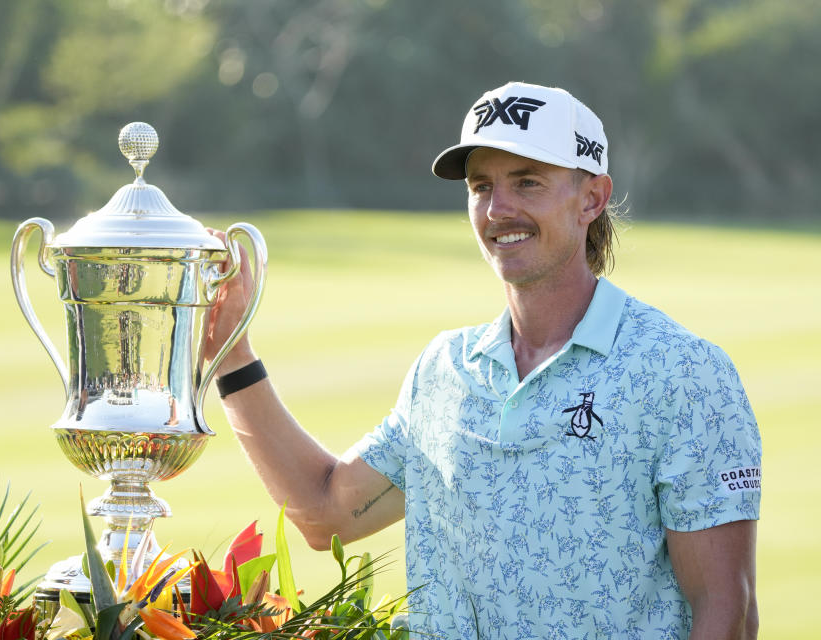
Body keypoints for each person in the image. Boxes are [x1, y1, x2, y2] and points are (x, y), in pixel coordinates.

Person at [204, 81, 761, 639]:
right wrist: (232, 354)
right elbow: (325, 512)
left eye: (528, 183)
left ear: (591, 199)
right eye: (481, 186)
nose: (499, 209)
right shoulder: (444, 371)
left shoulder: (684, 373)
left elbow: (724, 610)